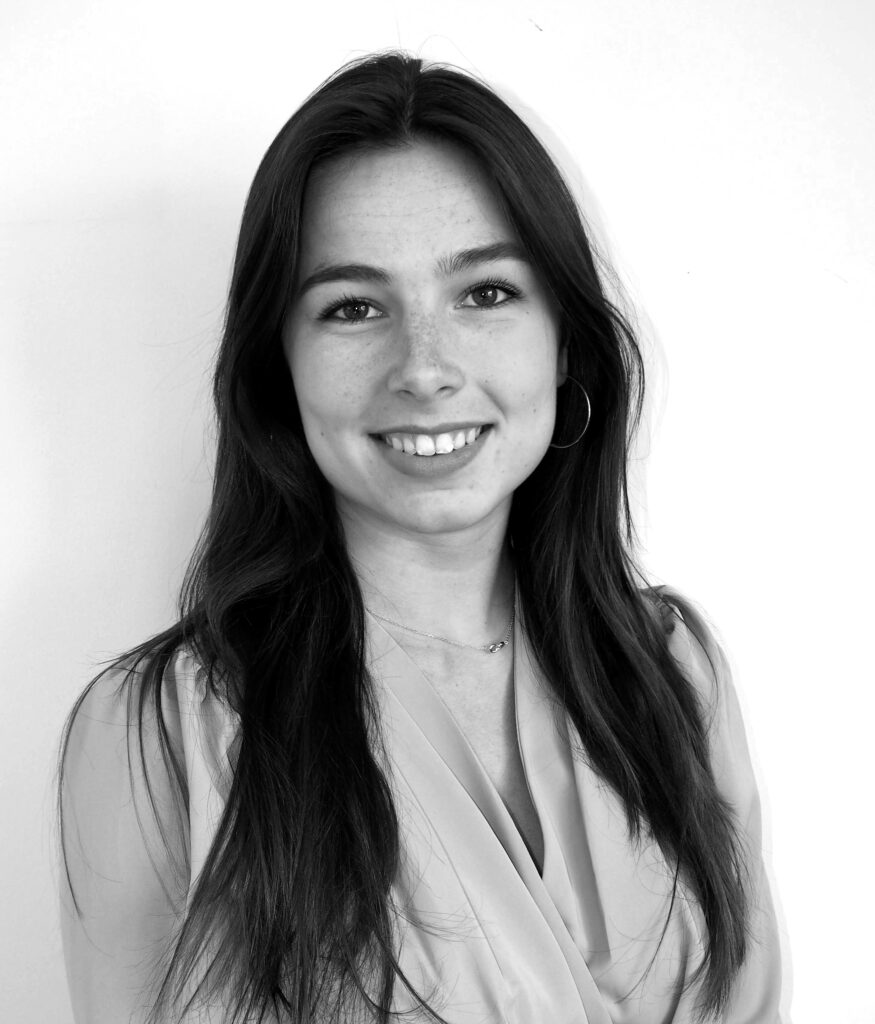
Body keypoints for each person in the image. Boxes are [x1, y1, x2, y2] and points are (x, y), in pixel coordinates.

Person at [58, 51, 785, 1024]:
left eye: (484, 293)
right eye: (353, 307)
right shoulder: (157, 733)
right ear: (280, 366)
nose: (424, 367)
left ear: (563, 339)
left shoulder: (672, 673)